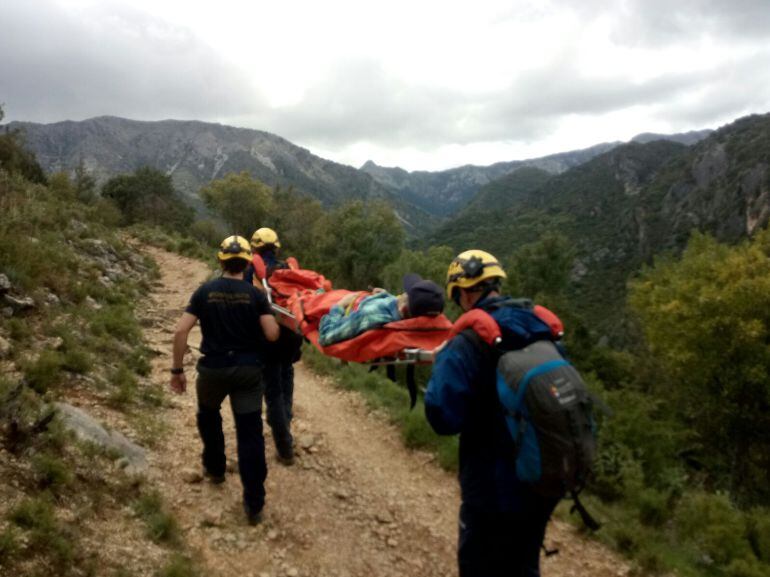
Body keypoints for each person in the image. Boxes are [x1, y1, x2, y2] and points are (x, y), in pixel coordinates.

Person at [424, 250, 560, 577]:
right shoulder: (539, 325)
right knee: (524, 562)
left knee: (479, 564)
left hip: (490, 485)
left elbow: (443, 417)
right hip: (542, 474)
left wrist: (441, 369)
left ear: (463, 292)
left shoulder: (469, 341)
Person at [170, 235, 280, 525]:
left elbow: (181, 332)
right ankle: (254, 503)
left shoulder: (205, 291)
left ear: (220, 261)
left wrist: (177, 370)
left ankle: (215, 468)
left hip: (213, 371)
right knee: (249, 433)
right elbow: (271, 335)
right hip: (247, 372)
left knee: (208, 416)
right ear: (246, 264)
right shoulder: (256, 295)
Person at [245, 227, 302, 466]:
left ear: (255, 247)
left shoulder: (251, 270)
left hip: (267, 336)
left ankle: (284, 445)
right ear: (276, 247)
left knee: (273, 390)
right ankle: (284, 427)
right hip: (290, 335)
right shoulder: (288, 270)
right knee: (286, 380)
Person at [318, 273, 445, 346]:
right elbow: (399, 308)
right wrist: (385, 295)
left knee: (317, 293)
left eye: (405, 293)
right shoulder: (404, 315)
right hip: (365, 300)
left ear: (404, 307)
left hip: (345, 305)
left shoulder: (368, 317)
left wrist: (340, 305)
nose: (401, 293)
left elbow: (326, 336)